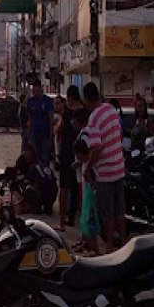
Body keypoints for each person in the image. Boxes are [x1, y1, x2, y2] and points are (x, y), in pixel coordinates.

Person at [82, 82, 126, 253]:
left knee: (107, 212)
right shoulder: (111, 110)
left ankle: (109, 246)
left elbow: (97, 148)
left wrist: (88, 169)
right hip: (119, 167)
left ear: (86, 99)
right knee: (119, 210)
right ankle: (122, 242)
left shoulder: (93, 118)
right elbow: (120, 135)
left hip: (106, 172)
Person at [56, 87, 81, 231]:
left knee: (64, 187)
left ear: (71, 97)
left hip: (66, 152)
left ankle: (62, 223)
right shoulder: (84, 112)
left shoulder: (67, 114)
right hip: (79, 153)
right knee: (77, 187)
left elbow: (58, 130)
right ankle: (73, 218)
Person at [74, 137, 101, 257]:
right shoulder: (86, 163)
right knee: (89, 225)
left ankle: (96, 250)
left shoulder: (90, 165)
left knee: (89, 224)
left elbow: (94, 182)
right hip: (88, 198)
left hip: (91, 199)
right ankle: (91, 247)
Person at [15, 145, 58, 215]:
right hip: (54, 191)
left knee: (28, 187)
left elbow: (26, 182)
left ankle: (35, 205)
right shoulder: (42, 163)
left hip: (45, 192)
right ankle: (48, 206)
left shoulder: (33, 167)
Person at [27, 79, 54, 164]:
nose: (35, 92)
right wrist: (28, 135)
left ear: (40, 89)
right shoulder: (31, 102)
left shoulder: (47, 101)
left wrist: (51, 137)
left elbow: (51, 119)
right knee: (34, 159)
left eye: (37, 90)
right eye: (33, 91)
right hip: (34, 135)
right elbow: (30, 119)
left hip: (45, 135)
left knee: (45, 159)